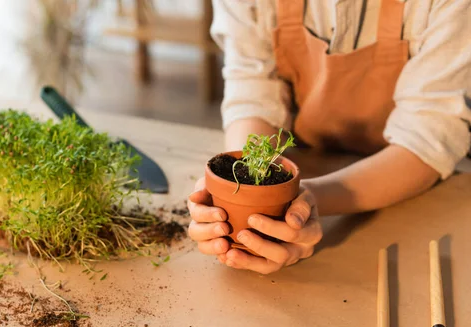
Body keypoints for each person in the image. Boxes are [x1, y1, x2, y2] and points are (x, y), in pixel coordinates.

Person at [188, 0, 471, 274]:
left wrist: (302, 204)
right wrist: (247, 193)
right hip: (306, 161)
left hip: (407, 186)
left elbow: (428, 137)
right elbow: (254, 86)